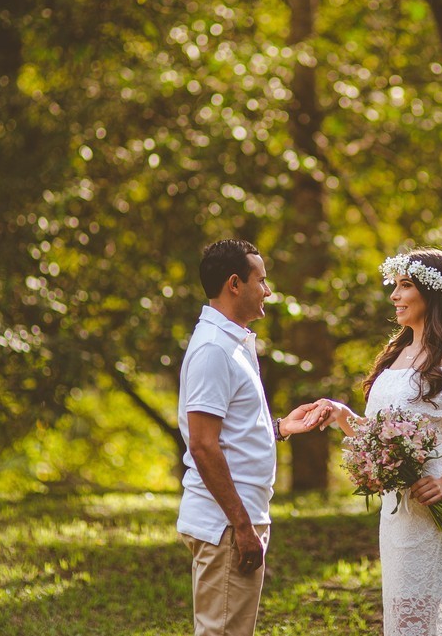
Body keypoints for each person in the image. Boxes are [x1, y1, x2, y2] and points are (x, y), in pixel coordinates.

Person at [323, 247, 442, 636]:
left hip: (431, 505)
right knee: (403, 618)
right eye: (396, 285)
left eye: (405, 286)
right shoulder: (396, 355)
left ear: (432, 293)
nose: (394, 296)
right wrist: (342, 416)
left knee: (417, 621)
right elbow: (379, 441)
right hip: (396, 509)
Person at [177, 238, 331, 636]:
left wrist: (280, 428)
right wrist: (242, 527)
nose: (268, 290)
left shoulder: (235, 342)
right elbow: (203, 444)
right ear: (234, 284)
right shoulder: (214, 349)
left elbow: (228, 430)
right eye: (261, 280)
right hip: (227, 523)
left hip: (238, 517)